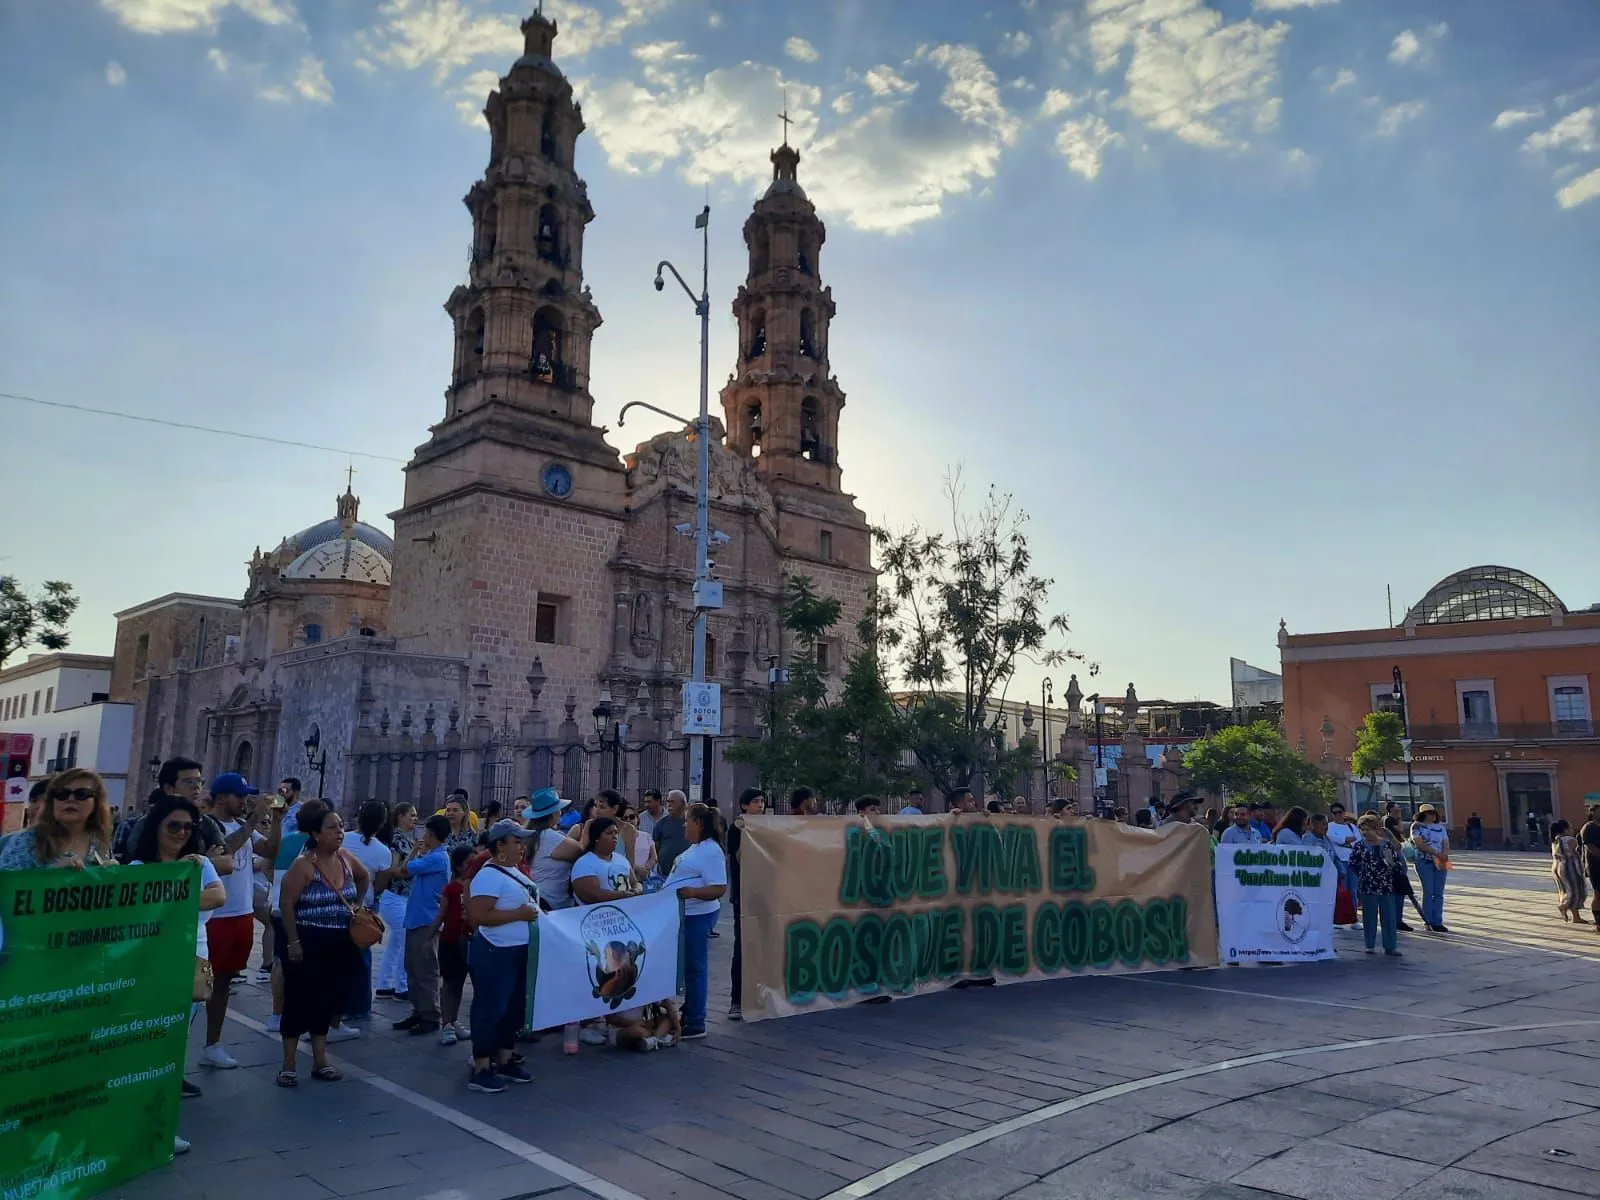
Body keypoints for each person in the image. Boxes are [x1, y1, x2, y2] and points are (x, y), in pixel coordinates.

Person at [127, 793, 226, 1153]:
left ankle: (160, 1122)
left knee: (175, 1044)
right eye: (173, 825)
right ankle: (143, 1120)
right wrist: (179, 882)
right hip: (152, 967)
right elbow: (139, 909)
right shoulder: (138, 868)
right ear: (156, 827)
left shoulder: (200, 863)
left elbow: (218, 897)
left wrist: (170, 892)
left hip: (192, 964)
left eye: (188, 827)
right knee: (149, 1047)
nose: (181, 832)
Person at [276, 805, 369, 1085]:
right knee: (298, 1001)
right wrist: (293, 941)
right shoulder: (304, 864)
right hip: (308, 940)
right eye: (332, 827)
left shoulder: (345, 858)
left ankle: (320, 1061)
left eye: (341, 826)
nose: (339, 832)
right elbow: (286, 903)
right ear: (316, 834)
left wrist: (357, 905)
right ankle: (288, 1064)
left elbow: (364, 876)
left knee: (327, 1002)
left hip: (340, 942)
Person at [200, 772, 273, 1069]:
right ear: (221, 798)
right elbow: (226, 849)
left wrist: (277, 820)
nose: (244, 801)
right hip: (215, 917)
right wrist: (254, 820)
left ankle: (212, 1044)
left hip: (241, 914)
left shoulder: (244, 824)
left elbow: (270, 850)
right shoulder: (208, 825)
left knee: (225, 982)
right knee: (202, 984)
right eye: (239, 796)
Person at [465, 821, 540, 1091]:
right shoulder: (488, 876)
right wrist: (519, 914)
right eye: (516, 842)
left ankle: (506, 1058)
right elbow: (479, 915)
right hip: (496, 951)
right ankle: (482, 1065)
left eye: (522, 842)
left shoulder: (515, 872)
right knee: (491, 1007)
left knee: (514, 1007)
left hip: (519, 950)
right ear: (500, 846)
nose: (522, 847)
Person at [566, 817, 640, 1053]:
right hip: (594, 928)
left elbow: (635, 883)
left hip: (619, 928)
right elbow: (593, 895)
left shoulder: (621, 860)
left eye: (616, 833)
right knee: (593, 974)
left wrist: (636, 891)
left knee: (614, 975)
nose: (614, 837)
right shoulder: (585, 863)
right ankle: (588, 1023)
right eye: (609, 833)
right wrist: (625, 897)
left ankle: (610, 1019)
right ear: (596, 838)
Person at [665, 803, 727, 1041]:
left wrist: (692, 892)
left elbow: (718, 888)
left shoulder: (710, 851)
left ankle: (696, 1020)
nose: (684, 825)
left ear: (698, 823)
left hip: (697, 916)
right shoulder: (696, 848)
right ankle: (689, 1011)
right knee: (689, 967)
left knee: (695, 968)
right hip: (685, 915)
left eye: (687, 821)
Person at [394, 814, 451, 1035]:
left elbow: (404, 869)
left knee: (426, 969)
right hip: (417, 918)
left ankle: (430, 1014)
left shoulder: (437, 858)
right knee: (413, 967)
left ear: (431, 834)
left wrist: (413, 851)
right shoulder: (432, 857)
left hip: (427, 920)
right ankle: (418, 1010)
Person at [0, 768, 117, 870]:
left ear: (97, 802)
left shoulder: (99, 842)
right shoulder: (27, 840)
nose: (70, 799)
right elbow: (7, 884)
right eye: (62, 794)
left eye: (81, 794)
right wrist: (53, 876)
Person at [341, 800, 394, 1023]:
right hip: (364, 905)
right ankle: (360, 1006)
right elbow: (380, 885)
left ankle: (338, 1004)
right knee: (362, 957)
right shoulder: (383, 852)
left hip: (339, 902)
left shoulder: (343, 839)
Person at [727, 786, 765, 1021]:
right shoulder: (736, 828)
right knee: (742, 947)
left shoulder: (767, 828)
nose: (760, 806)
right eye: (756, 802)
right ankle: (737, 1000)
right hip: (744, 896)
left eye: (762, 801)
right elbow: (738, 858)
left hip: (765, 895)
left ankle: (761, 995)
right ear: (744, 805)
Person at [375, 802, 416, 999]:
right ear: (400, 816)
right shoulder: (396, 840)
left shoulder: (409, 839)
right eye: (411, 815)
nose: (415, 819)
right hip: (395, 894)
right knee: (404, 939)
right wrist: (414, 858)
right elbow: (395, 870)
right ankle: (402, 986)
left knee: (395, 941)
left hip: (404, 896)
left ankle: (384, 983)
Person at [437, 844, 476, 1045]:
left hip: (467, 940)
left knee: (460, 984)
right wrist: (429, 936)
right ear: (459, 866)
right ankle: (446, 1024)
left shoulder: (476, 887)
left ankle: (453, 1020)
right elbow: (441, 914)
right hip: (450, 940)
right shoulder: (452, 888)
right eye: (469, 864)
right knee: (449, 984)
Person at [1350, 814, 1402, 956]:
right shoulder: (1360, 846)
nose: (1365, 832)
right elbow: (1353, 863)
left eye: (1368, 829)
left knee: (1389, 917)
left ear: (1376, 829)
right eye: (1362, 830)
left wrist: (1391, 866)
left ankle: (1390, 946)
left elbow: (1396, 862)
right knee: (1369, 916)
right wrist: (1363, 874)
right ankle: (1370, 945)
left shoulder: (1386, 844)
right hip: (1368, 885)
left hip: (1386, 885)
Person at [522, 788, 574, 910]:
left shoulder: (531, 834)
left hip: (538, 898)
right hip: (553, 904)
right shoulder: (549, 837)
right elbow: (579, 850)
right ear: (553, 813)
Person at [1410, 804, 1451, 933]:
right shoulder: (1417, 826)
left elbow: (1445, 843)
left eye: (1433, 813)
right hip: (1424, 860)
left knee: (1439, 893)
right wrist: (1436, 853)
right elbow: (1419, 843)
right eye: (1429, 813)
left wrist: (1444, 854)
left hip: (1441, 860)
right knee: (1428, 891)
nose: (1432, 816)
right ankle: (1428, 921)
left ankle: (1438, 921)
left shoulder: (1440, 827)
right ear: (1423, 815)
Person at [1550, 820, 1588, 923]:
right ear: (1565, 830)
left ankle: (1576, 917)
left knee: (1566, 890)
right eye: (1570, 828)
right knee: (1576, 891)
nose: (1572, 830)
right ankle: (1564, 906)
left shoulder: (1555, 840)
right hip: (1570, 868)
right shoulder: (1569, 840)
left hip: (1557, 867)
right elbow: (1579, 850)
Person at [653, 789, 690, 876]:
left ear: (683, 803)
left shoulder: (691, 823)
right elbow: (655, 848)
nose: (669, 804)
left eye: (672, 802)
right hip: (665, 873)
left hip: (688, 871)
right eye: (668, 801)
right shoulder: (661, 824)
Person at [1580, 804, 1600, 929]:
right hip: (1595, 866)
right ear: (1592, 812)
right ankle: (1598, 922)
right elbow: (1590, 846)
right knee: (1598, 893)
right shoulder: (1588, 828)